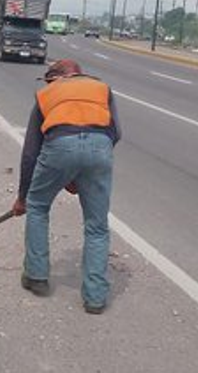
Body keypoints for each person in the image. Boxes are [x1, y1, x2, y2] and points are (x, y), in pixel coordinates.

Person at [12, 59, 121, 314]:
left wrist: (22, 197)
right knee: (97, 226)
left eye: (50, 80)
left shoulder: (45, 94)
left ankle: (37, 276)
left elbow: (30, 152)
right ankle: (95, 298)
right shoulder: (102, 89)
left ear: (57, 77)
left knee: (37, 206)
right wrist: (84, 168)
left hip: (60, 146)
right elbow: (115, 132)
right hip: (100, 149)